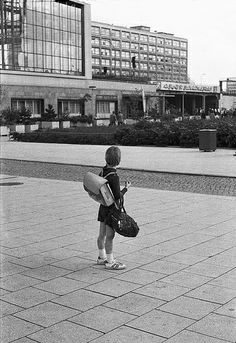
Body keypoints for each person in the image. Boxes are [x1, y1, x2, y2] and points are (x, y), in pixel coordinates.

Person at [97, 146, 131, 270]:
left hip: (103, 207)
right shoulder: (114, 176)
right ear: (118, 160)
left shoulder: (102, 172)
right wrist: (126, 188)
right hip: (111, 209)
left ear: (106, 158)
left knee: (102, 234)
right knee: (110, 236)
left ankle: (101, 257)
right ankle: (110, 261)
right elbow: (117, 196)